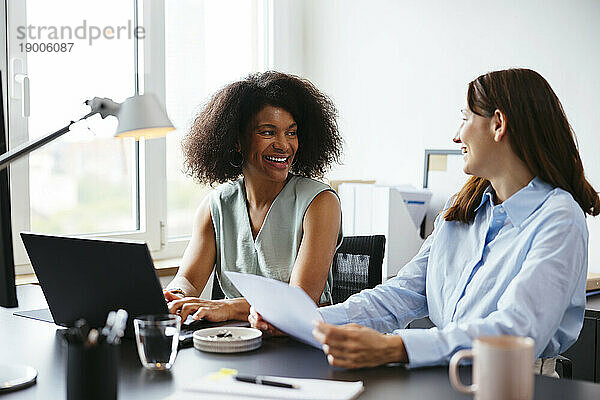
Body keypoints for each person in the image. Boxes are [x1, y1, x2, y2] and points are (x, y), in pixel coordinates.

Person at [252, 68, 599, 372]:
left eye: (464, 119)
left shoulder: (558, 217)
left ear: (498, 124)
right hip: (444, 378)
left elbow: (516, 330)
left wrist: (396, 347)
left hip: (519, 384)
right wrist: (304, 323)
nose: (456, 135)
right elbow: (402, 294)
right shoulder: (461, 208)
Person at [164, 71, 344, 324]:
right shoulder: (216, 206)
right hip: (235, 339)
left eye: (291, 133)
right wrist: (176, 295)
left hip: (301, 344)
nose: (283, 145)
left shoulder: (320, 202)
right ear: (237, 141)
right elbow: (189, 280)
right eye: (268, 133)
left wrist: (226, 307)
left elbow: (301, 299)